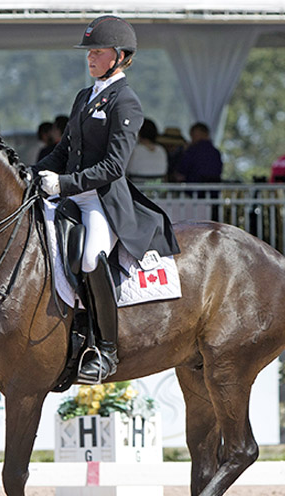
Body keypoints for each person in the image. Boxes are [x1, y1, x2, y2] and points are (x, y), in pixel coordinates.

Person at [35, 15, 180, 383]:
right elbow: (64, 148)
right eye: (89, 53)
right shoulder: (85, 97)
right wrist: (33, 173)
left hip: (101, 201)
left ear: (119, 56)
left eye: (96, 52)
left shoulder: (126, 102)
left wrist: (64, 184)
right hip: (69, 193)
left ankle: (107, 351)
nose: (90, 58)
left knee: (90, 257)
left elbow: (114, 166)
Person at [126, 118, 168, 182]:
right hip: (158, 188)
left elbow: (126, 170)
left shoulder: (135, 150)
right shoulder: (161, 150)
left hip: (137, 187)